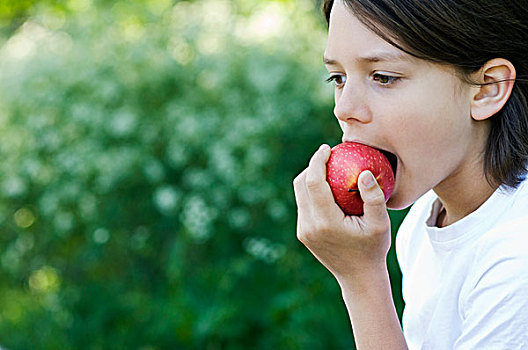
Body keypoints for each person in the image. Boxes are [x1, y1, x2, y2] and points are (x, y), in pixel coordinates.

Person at [292, 0, 528, 348]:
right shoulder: (423, 220)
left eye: (383, 77)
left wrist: (362, 279)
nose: (344, 109)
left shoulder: (516, 259)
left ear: (486, 89)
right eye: (338, 78)